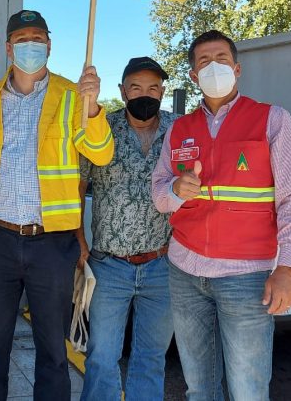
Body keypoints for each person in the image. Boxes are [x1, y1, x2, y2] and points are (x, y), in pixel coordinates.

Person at [0, 9, 115, 401]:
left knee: (53, 352)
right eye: (23, 38)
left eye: (39, 38)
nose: (31, 45)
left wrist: (94, 107)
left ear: (49, 45)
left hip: (52, 244)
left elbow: (101, 154)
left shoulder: (72, 96)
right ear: (9, 48)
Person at [152, 30, 291, 401]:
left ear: (237, 68)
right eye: (204, 61)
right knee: (199, 387)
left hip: (246, 276)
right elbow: (159, 195)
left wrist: (287, 268)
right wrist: (175, 190)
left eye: (221, 58)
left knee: (248, 390)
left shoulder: (272, 120)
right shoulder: (179, 129)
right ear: (193, 76)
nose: (214, 66)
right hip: (186, 272)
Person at [79, 57, 177, 401]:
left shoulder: (179, 130)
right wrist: (78, 239)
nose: (145, 95)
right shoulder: (100, 129)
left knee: (150, 359)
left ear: (163, 91)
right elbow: (79, 184)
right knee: (102, 357)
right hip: (110, 266)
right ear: (122, 91)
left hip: (162, 265)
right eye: (136, 87)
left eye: (153, 88)